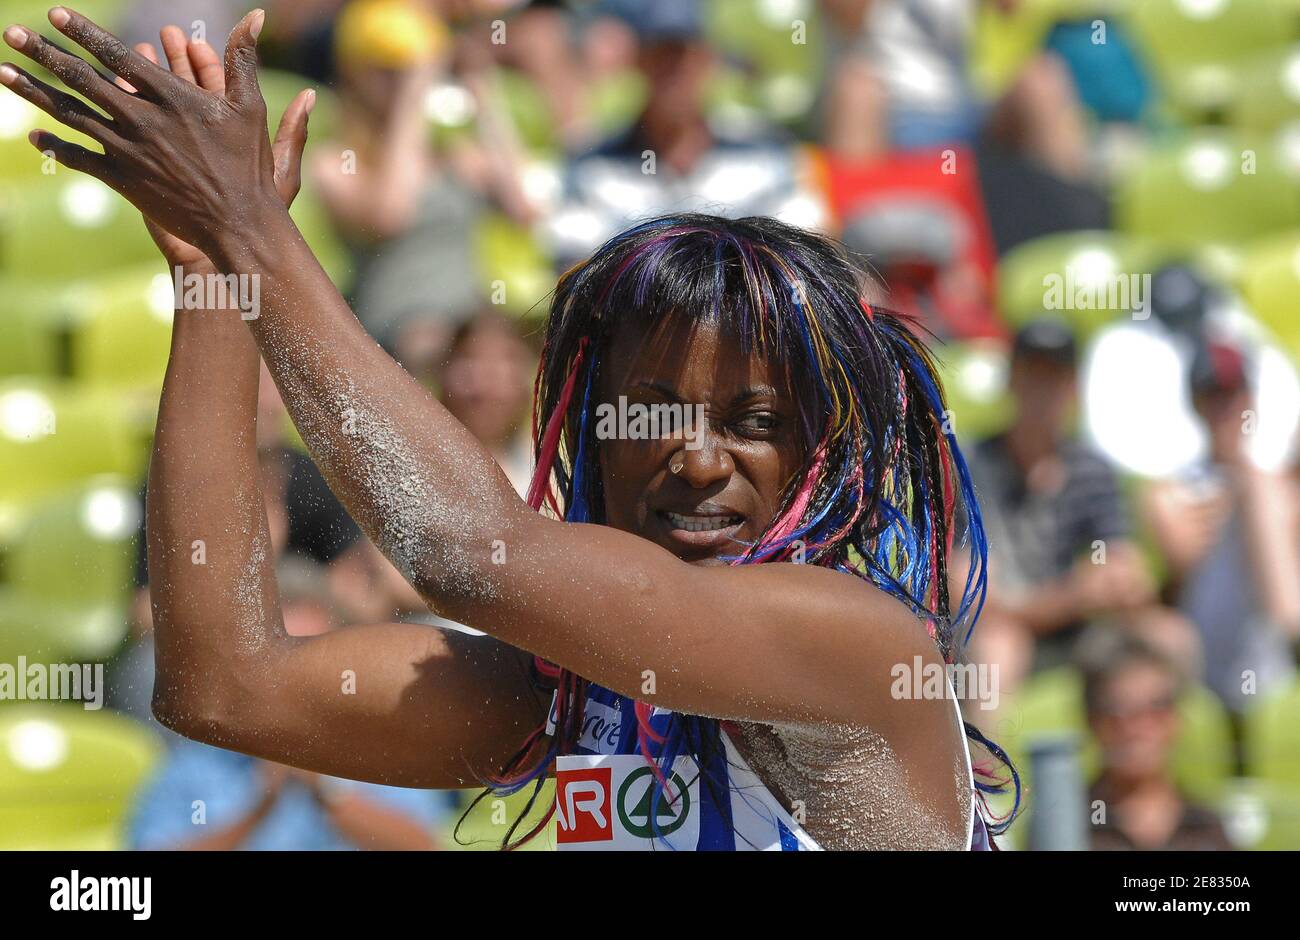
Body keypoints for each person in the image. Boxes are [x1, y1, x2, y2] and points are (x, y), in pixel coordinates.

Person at [0, 8, 1016, 850]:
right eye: (654, 412)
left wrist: (254, 233)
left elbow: (463, 553)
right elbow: (222, 684)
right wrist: (214, 279)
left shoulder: (856, 649)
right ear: (591, 431)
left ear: (817, 453)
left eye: (753, 421)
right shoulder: (559, 701)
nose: (700, 459)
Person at [129, 556, 444, 850]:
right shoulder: (202, 757)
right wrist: (260, 809)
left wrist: (326, 790)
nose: (297, 688)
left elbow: (425, 845)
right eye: (280, 668)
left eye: (312, 665)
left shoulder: (381, 752)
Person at [962, 319, 1155, 691]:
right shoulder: (970, 466)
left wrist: (1110, 584)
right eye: (1032, 375)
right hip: (999, 631)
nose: (1043, 392)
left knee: (1166, 636)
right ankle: (987, 750)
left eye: (1055, 379)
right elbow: (969, 597)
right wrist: (1069, 596)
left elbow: (1126, 571)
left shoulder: (1091, 469)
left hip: (1077, 627)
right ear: (1010, 381)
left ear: (1073, 390)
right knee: (999, 648)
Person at [1080, 627, 1232, 851]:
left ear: (1176, 718)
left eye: (1156, 707)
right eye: (1118, 710)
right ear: (1092, 720)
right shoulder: (1066, 825)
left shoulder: (1206, 826)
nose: (1138, 726)